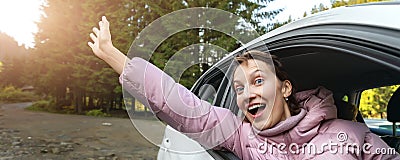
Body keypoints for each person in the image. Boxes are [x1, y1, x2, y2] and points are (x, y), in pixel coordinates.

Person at [88, 16, 400, 160]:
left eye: (258, 81)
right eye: (238, 87)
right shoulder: (239, 135)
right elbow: (180, 104)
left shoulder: (353, 134)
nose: (246, 93)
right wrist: (115, 56)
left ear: (286, 88)